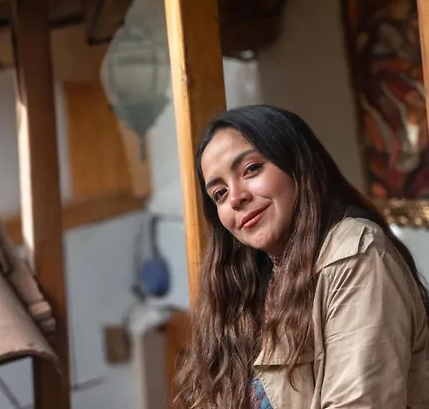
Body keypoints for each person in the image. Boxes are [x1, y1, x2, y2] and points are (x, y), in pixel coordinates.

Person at [175, 105, 429, 409]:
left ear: (297, 164)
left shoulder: (355, 256)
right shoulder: (252, 285)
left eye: (251, 169)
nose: (236, 198)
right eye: (219, 193)